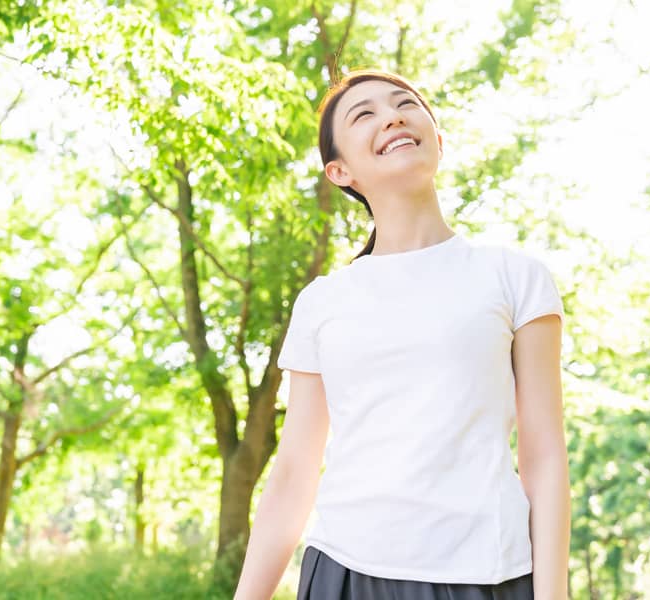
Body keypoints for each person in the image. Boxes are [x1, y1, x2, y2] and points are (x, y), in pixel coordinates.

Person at [233, 68, 570, 600]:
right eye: (363, 114)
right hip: (344, 571)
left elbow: (544, 454)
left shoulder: (515, 276)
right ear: (340, 172)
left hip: (487, 574)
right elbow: (296, 469)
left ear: (438, 140)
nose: (392, 115)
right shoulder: (323, 301)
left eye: (405, 104)